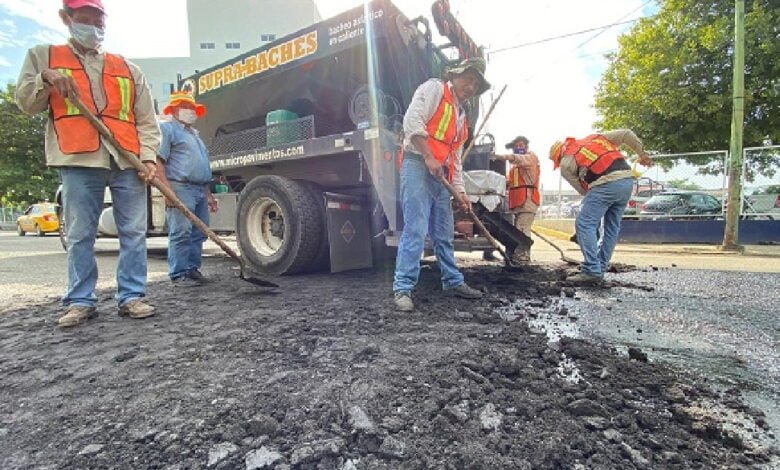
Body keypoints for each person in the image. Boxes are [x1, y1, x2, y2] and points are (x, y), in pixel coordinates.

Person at [15, 0, 160, 327]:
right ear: (66, 19)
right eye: (84, 19)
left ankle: (132, 296)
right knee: (81, 233)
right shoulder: (44, 56)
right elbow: (26, 103)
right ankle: (81, 301)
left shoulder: (127, 68)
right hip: (79, 157)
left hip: (126, 158)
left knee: (134, 233)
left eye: (99, 20)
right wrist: (45, 79)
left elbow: (147, 121)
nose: (93, 27)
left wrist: (148, 157)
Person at [393, 58, 490, 312]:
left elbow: (455, 158)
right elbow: (412, 122)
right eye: (468, 79)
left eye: (476, 83)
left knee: (443, 232)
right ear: (455, 75)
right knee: (415, 228)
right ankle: (403, 287)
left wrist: (461, 193)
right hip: (417, 164)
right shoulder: (434, 89)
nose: (471, 86)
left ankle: (452, 281)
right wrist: (427, 155)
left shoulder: (461, 116)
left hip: (441, 174)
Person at [549, 129, 653, 285]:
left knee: (584, 223)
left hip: (605, 184)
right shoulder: (595, 138)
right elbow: (626, 133)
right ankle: (600, 266)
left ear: (557, 157)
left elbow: (583, 190)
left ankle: (592, 270)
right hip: (626, 182)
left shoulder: (565, 163)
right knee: (611, 227)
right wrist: (642, 154)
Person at [156, 92, 219, 287]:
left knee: (199, 232)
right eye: (185, 106)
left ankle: (192, 269)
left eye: (192, 107)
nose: (190, 111)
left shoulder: (195, 135)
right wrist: (168, 190)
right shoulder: (168, 130)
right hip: (180, 186)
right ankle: (179, 273)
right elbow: (159, 160)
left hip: (199, 187)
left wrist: (208, 195)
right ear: (174, 110)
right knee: (181, 231)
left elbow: (202, 166)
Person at [491, 135, 540, 264]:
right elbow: (510, 182)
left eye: (521, 145)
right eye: (516, 146)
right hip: (517, 202)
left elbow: (516, 158)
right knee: (517, 230)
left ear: (526, 146)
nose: (518, 148)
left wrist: (499, 156)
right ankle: (515, 256)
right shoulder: (515, 168)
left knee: (522, 230)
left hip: (528, 200)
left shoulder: (530, 157)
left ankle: (523, 258)